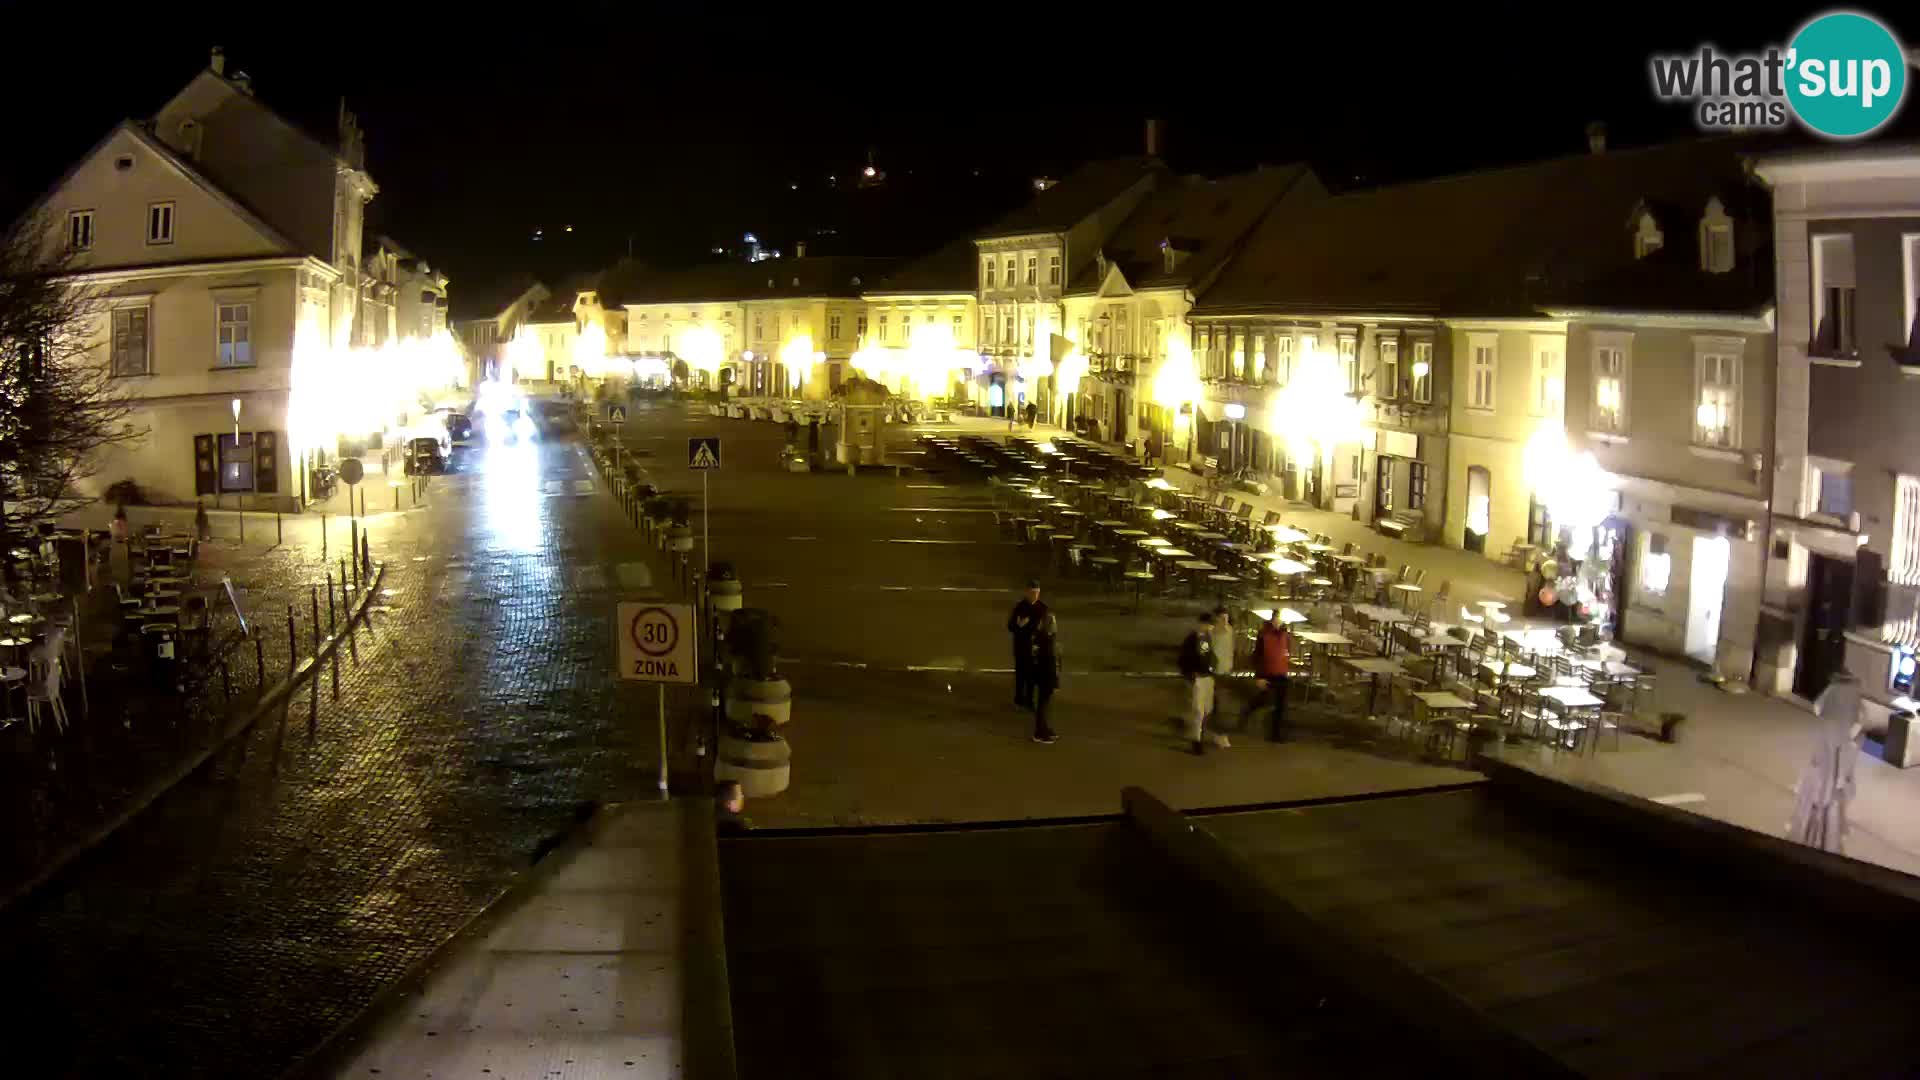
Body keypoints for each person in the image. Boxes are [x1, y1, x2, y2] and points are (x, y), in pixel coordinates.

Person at [1788, 670, 1863, 853]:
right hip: (1841, 746)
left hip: (1825, 743)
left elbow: (1817, 707)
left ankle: (1810, 833)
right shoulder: (1855, 695)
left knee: (1818, 789)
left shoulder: (1832, 689)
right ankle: (1829, 837)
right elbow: (1859, 723)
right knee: (1834, 791)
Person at [1246, 610, 1292, 742]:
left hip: (1281, 672)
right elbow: (1257, 656)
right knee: (1263, 699)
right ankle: (1247, 713)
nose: (1278, 622)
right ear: (1273, 619)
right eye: (1277, 619)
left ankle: (1275, 734)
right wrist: (1259, 676)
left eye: (1280, 619)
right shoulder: (1264, 634)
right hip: (1267, 672)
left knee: (1280, 705)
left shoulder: (1285, 634)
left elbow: (1286, 651)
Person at [1178, 611, 1218, 755]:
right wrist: (1190, 674)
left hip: (1207, 677)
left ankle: (1198, 734)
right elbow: (1183, 659)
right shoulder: (1191, 639)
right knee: (1198, 711)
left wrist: (1212, 667)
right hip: (1198, 678)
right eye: (1209, 625)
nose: (1211, 628)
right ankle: (1196, 741)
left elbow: (1209, 655)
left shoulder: (1206, 638)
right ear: (1203, 624)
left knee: (1207, 709)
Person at [1006, 579, 1048, 708]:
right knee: (1021, 674)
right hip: (1021, 647)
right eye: (1032, 593)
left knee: (1032, 676)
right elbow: (1010, 626)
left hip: (1035, 648)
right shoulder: (1020, 607)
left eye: (1037, 593)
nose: (1034, 595)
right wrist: (1019, 625)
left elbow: (1046, 628)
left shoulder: (1042, 608)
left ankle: (1030, 700)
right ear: (1027, 592)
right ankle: (1019, 698)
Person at [1029, 611, 1061, 744]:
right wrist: (1055, 682)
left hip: (1041, 676)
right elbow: (1050, 664)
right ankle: (1039, 733)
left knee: (1043, 705)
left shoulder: (1040, 637)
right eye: (1053, 623)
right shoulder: (1046, 641)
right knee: (1043, 706)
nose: (1055, 626)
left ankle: (1043, 729)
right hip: (1045, 677)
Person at [1207, 607, 1235, 748]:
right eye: (1222, 618)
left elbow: (1230, 649)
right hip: (1214, 673)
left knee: (1221, 704)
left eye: (1227, 619)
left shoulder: (1229, 631)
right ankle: (1218, 733)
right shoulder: (1211, 633)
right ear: (1217, 619)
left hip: (1225, 672)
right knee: (1217, 704)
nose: (1225, 622)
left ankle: (1219, 733)